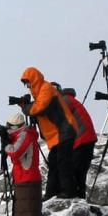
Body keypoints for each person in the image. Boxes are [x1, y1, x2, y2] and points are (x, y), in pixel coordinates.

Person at [19, 67, 80, 204]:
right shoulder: (40, 93)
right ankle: (52, 193)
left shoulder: (46, 88)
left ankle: (69, 192)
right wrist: (27, 106)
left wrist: (25, 108)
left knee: (63, 163)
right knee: (53, 163)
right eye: (25, 84)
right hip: (58, 135)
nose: (27, 86)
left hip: (65, 130)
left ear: (34, 79)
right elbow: (38, 108)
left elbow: (39, 108)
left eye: (28, 82)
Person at [4, 112, 45, 216]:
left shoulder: (25, 135)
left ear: (16, 127)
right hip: (24, 179)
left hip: (28, 180)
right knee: (26, 215)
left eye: (9, 126)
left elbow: (15, 152)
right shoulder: (21, 135)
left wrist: (6, 145)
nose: (7, 129)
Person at [59, 85, 100, 199]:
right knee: (81, 171)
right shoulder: (73, 101)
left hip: (82, 139)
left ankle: (74, 195)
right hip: (88, 138)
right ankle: (80, 195)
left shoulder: (66, 100)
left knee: (76, 169)